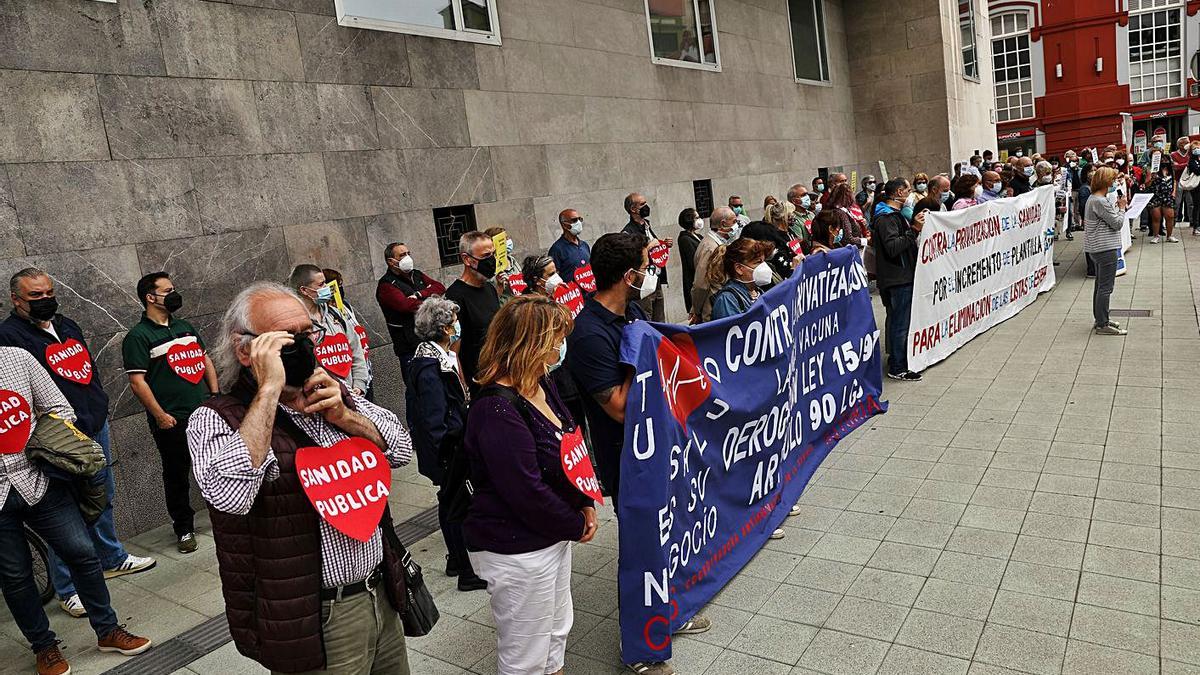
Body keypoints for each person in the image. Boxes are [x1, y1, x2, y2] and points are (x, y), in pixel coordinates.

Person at [188, 281, 415, 674]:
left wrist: (346, 416)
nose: (303, 346)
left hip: (381, 592)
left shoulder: (333, 393)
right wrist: (270, 389)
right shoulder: (217, 418)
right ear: (246, 350)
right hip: (314, 616)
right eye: (284, 340)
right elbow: (229, 496)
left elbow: (400, 450)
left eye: (307, 333)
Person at [564, 233, 710, 675]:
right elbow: (622, 408)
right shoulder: (589, 333)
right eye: (645, 266)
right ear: (629, 276)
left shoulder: (629, 311)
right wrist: (646, 355)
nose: (650, 273)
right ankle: (643, 648)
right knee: (640, 548)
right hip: (627, 461)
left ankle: (670, 611)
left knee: (668, 537)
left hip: (660, 449)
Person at [0, 269, 155, 619]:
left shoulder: (67, 323)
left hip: (90, 423)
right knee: (63, 512)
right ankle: (67, 589)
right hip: (55, 439)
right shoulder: (8, 337)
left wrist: (97, 404)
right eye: (35, 296)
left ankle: (112, 557)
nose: (45, 300)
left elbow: (86, 367)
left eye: (49, 292)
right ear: (16, 300)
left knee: (102, 495)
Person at [463, 295, 596, 675]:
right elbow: (525, 490)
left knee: (555, 632)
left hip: (550, 534)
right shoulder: (496, 409)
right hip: (517, 548)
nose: (560, 346)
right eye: (556, 337)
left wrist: (584, 500)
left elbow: (569, 444)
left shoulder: (541, 383)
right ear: (532, 343)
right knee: (525, 653)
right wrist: (575, 523)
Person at [0, 346, 152, 675]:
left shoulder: (18, 358)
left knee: (81, 552)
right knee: (15, 576)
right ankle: (45, 647)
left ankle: (108, 630)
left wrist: (36, 439)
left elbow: (59, 408)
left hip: (37, 477)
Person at [123, 272, 218, 554]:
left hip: (203, 413)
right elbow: (137, 382)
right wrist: (161, 415)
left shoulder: (186, 327)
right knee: (176, 475)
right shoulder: (138, 337)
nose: (174, 294)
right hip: (172, 420)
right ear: (150, 297)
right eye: (168, 290)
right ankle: (184, 528)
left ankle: (224, 512)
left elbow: (205, 361)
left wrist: (214, 396)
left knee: (214, 466)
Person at [405, 297, 486, 592]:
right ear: (443, 328)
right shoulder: (429, 367)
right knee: (455, 505)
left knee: (452, 501)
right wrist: (447, 456)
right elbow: (433, 418)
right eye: (453, 321)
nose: (457, 325)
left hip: (454, 444)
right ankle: (465, 569)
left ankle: (457, 559)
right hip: (448, 450)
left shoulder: (440, 355)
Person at [521, 254, 588, 442]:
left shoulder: (560, 298)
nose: (556, 278)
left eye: (556, 272)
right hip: (549, 377)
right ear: (537, 279)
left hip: (570, 373)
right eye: (551, 274)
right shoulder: (528, 307)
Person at [872, 179, 924, 381]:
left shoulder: (893, 216)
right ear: (899, 192)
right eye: (909, 190)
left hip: (898, 276)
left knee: (897, 320)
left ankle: (897, 359)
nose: (911, 194)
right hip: (897, 278)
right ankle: (898, 367)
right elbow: (893, 247)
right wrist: (914, 230)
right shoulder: (886, 218)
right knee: (900, 323)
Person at [289, 265, 369, 395]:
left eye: (325, 282)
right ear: (304, 290)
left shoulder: (336, 314)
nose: (327, 287)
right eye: (321, 284)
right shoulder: (296, 325)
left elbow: (356, 350)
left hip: (353, 396)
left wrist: (359, 384)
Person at [376, 242, 446, 379]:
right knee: (416, 388)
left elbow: (439, 287)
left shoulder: (417, 275)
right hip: (409, 346)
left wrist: (420, 294)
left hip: (429, 339)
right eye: (402, 255)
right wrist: (432, 303)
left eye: (408, 253)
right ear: (391, 262)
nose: (407, 258)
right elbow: (405, 305)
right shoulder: (386, 285)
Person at [445, 231, 501, 393]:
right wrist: (464, 388)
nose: (491, 261)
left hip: (500, 375)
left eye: (493, 254)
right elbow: (453, 351)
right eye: (486, 256)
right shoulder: (455, 297)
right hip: (479, 383)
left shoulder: (489, 288)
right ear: (467, 259)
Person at [1084, 167, 1129, 336]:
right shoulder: (1100, 201)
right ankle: (1103, 324)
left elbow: (1109, 220)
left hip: (1097, 248)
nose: (1115, 183)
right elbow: (1117, 223)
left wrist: (1117, 209)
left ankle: (1101, 319)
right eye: (1113, 180)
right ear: (1106, 181)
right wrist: (1122, 208)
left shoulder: (1093, 199)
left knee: (1100, 286)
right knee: (1105, 287)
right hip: (1105, 248)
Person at [323, 268, 375, 400]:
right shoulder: (327, 315)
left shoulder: (345, 306)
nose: (340, 288)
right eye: (337, 285)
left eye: (341, 285)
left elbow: (355, 342)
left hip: (363, 368)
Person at [621, 193, 672, 322]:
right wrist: (649, 247)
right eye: (642, 204)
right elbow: (631, 256)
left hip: (656, 277)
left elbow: (654, 247)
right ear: (633, 209)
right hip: (643, 280)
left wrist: (663, 244)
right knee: (646, 316)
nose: (646, 206)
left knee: (660, 316)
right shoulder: (628, 232)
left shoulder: (647, 225)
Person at [689, 207, 737, 323]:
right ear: (723, 224)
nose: (737, 225)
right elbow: (701, 284)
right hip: (713, 306)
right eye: (734, 221)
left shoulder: (719, 243)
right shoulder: (710, 248)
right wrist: (696, 310)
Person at [708, 238, 775, 320]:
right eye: (758, 262)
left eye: (763, 261)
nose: (764, 267)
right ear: (739, 268)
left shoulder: (758, 291)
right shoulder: (728, 299)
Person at [549, 208, 591, 285]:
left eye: (579, 219)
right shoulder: (557, 249)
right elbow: (553, 277)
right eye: (574, 220)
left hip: (590, 294)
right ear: (564, 225)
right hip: (572, 294)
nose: (578, 223)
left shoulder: (585, 245)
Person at [1146, 149, 1179, 244]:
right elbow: (1147, 184)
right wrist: (1152, 177)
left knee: (1170, 216)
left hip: (1168, 195)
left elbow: (1174, 181)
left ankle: (1170, 235)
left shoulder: (1170, 168)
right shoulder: (1150, 168)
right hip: (1156, 195)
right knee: (1156, 217)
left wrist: (1174, 192)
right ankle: (1156, 235)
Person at [677, 207, 704, 314]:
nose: (699, 220)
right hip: (694, 278)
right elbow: (693, 262)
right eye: (696, 218)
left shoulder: (698, 236)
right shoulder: (685, 239)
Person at [484, 226, 518, 305]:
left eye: (507, 238)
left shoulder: (512, 260)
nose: (507, 241)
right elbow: (489, 299)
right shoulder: (490, 268)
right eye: (503, 239)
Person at [1186, 145, 1200, 236]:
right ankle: (1196, 226)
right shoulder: (1191, 161)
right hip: (1196, 187)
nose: (1197, 150)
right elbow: (1197, 171)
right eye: (1194, 148)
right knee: (1197, 206)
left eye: (1198, 148)